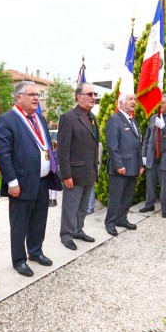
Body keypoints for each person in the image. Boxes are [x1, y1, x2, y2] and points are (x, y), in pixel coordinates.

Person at [0, 82, 62, 277]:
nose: (36, 98)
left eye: (37, 95)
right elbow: (3, 154)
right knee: (19, 224)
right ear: (18, 97)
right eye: (31, 95)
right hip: (21, 183)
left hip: (42, 179)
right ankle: (19, 260)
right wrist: (12, 182)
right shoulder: (7, 120)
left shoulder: (39, 118)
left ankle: (35, 251)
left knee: (39, 219)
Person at [57, 82, 100, 250]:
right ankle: (66, 234)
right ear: (78, 97)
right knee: (71, 206)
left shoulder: (91, 117)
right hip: (74, 173)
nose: (93, 97)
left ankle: (78, 229)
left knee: (83, 206)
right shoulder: (68, 118)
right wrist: (66, 175)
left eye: (94, 94)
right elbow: (62, 150)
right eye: (89, 94)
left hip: (90, 171)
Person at [104, 93, 144, 236]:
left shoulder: (133, 121)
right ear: (121, 103)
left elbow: (138, 145)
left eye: (134, 99)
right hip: (120, 168)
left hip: (133, 166)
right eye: (130, 99)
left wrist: (140, 164)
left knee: (127, 196)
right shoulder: (114, 120)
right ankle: (110, 222)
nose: (134, 102)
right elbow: (112, 146)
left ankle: (122, 219)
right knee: (116, 196)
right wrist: (119, 165)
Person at [140, 93, 166, 218]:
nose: (160, 105)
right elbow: (147, 138)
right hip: (152, 154)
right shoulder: (154, 118)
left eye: (163, 102)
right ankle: (149, 204)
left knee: (165, 185)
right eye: (160, 102)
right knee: (150, 183)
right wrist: (144, 154)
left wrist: (163, 126)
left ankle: (164, 209)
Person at [49, 141, 59, 207]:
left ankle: (54, 200)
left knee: (54, 187)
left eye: (53, 146)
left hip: (55, 171)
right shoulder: (49, 153)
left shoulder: (56, 153)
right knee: (49, 187)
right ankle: (49, 200)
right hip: (49, 171)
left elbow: (57, 162)